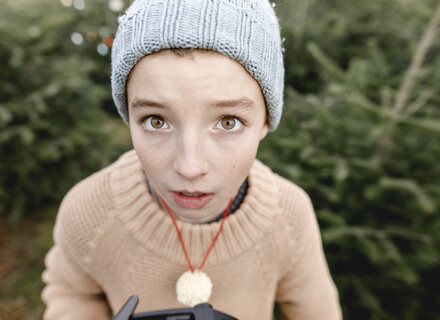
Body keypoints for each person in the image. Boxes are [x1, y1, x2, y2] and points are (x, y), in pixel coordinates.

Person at [41, 0, 342, 319]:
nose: (189, 167)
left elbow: (318, 310)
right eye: (156, 121)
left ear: (266, 122)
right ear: (128, 116)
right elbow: (70, 292)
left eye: (228, 122)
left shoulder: (290, 215)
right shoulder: (88, 212)